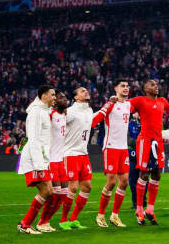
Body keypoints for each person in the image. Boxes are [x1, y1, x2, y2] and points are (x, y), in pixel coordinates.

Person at [129, 78, 169, 225]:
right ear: (145, 88)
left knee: (157, 174)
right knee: (144, 173)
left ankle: (150, 209)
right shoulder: (139, 100)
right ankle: (139, 210)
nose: (156, 87)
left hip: (159, 141)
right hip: (145, 141)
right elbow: (126, 110)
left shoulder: (162, 100)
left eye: (157, 85)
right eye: (152, 85)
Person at [63, 86, 108, 229]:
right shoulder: (70, 112)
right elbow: (57, 125)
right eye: (82, 91)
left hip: (83, 154)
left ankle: (73, 218)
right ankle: (64, 221)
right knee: (73, 187)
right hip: (70, 154)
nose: (86, 92)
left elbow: (95, 119)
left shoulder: (88, 111)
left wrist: (108, 106)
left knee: (87, 187)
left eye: (86, 90)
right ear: (75, 97)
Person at [17, 85, 55, 234]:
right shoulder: (36, 113)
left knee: (49, 191)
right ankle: (25, 224)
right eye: (52, 95)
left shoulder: (43, 111)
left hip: (41, 158)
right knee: (46, 190)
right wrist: (39, 164)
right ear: (43, 96)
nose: (54, 98)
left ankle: (34, 223)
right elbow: (32, 139)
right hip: (34, 160)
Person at [95, 80, 132, 228]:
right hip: (110, 147)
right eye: (122, 86)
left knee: (124, 182)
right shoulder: (110, 104)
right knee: (111, 182)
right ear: (116, 88)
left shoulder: (129, 105)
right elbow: (98, 117)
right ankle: (100, 215)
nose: (125, 88)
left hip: (123, 148)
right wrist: (109, 102)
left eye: (127, 86)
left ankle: (115, 215)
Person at [35, 91, 68, 232]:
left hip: (61, 160)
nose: (63, 100)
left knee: (63, 194)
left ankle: (46, 221)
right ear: (54, 101)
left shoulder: (64, 115)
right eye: (60, 97)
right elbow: (37, 129)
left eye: (65, 98)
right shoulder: (49, 114)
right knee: (53, 194)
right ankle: (42, 222)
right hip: (51, 160)